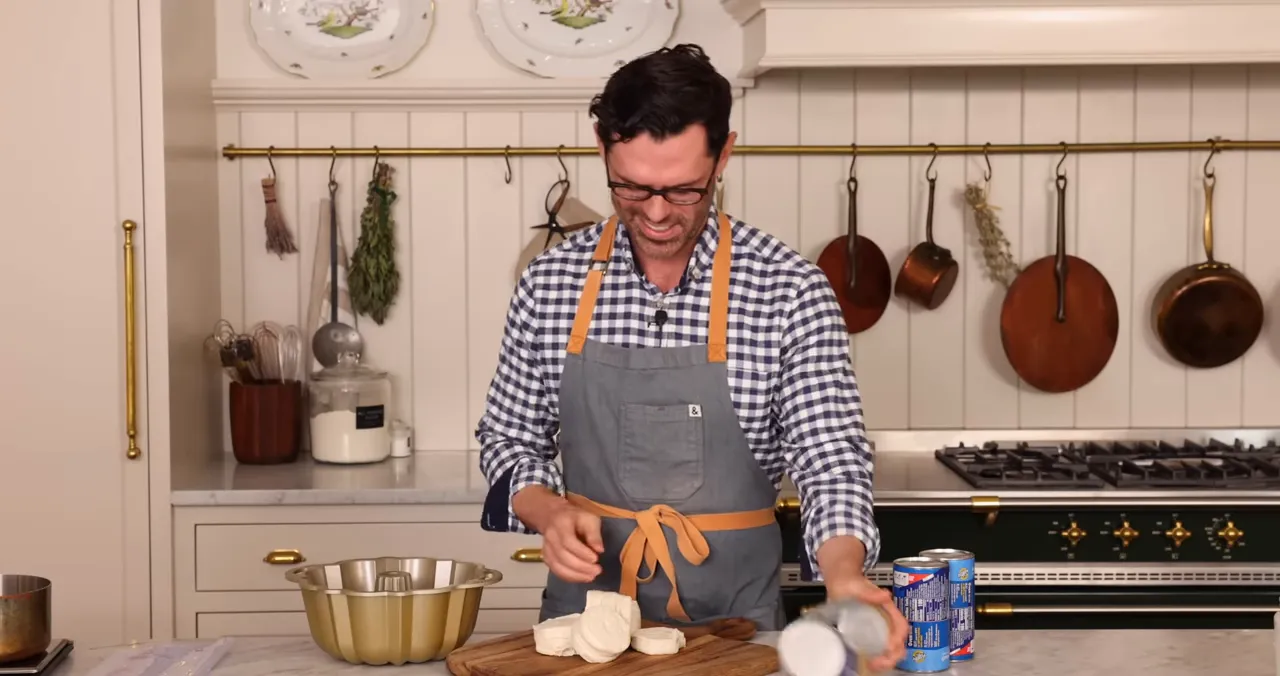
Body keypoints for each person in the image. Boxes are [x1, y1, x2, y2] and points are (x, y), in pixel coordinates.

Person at [475, 43, 907, 669]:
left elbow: (829, 456)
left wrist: (844, 574)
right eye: (631, 187)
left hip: (736, 632)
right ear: (602, 150)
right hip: (584, 634)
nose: (654, 213)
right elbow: (507, 441)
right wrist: (548, 510)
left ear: (723, 155)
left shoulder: (787, 289)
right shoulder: (551, 284)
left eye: (681, 191)